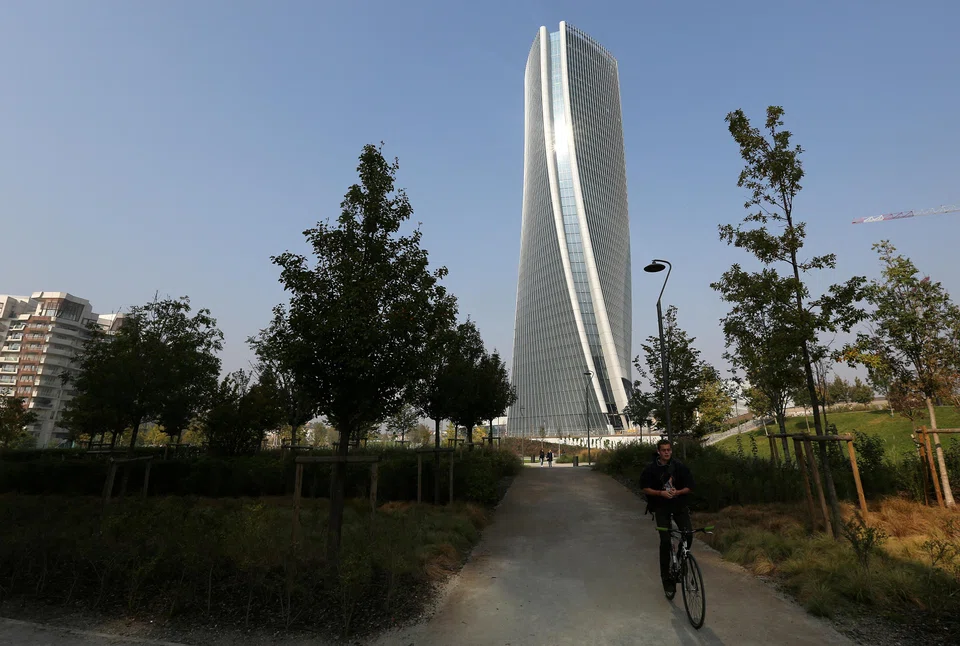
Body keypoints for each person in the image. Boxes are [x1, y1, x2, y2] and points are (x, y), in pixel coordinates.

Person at [641, 438, 695, 596]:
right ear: (658, 451)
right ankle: (667, 579)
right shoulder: (651, 469)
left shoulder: (679, 467)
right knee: (665, 541)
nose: (666, 452)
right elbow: (644, 488)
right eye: (663, 450)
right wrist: (660, 493)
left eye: (669, 450)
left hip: (679, 506)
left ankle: (681, 559)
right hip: (661, 508)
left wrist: (678, 492)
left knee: (688, 534)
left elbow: (690, 486)